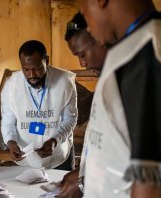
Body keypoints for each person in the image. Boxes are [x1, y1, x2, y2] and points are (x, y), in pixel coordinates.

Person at [76, 0, 161, 197]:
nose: (88, 24)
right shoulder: (138, 47)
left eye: (83, 10)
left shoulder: (148, 54)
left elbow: (154, 183)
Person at [1, 40, 78, 170]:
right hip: (25, 157)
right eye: (26, 70)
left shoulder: (65, 82)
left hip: (59, 157)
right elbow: (8, 120)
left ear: (46, 61)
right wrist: (11, 144)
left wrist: (54, 141)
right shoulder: (11, 86)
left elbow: (70, 119)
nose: (32, 75)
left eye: (37, 69)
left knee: (61, 189)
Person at [57, 12, 107, 198]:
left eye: (83, 54)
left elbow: (133, 159)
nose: (83, 63)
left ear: (101, 39)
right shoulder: (106, 82)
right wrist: (82, 173)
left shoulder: (135, 81)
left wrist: (85, 182)